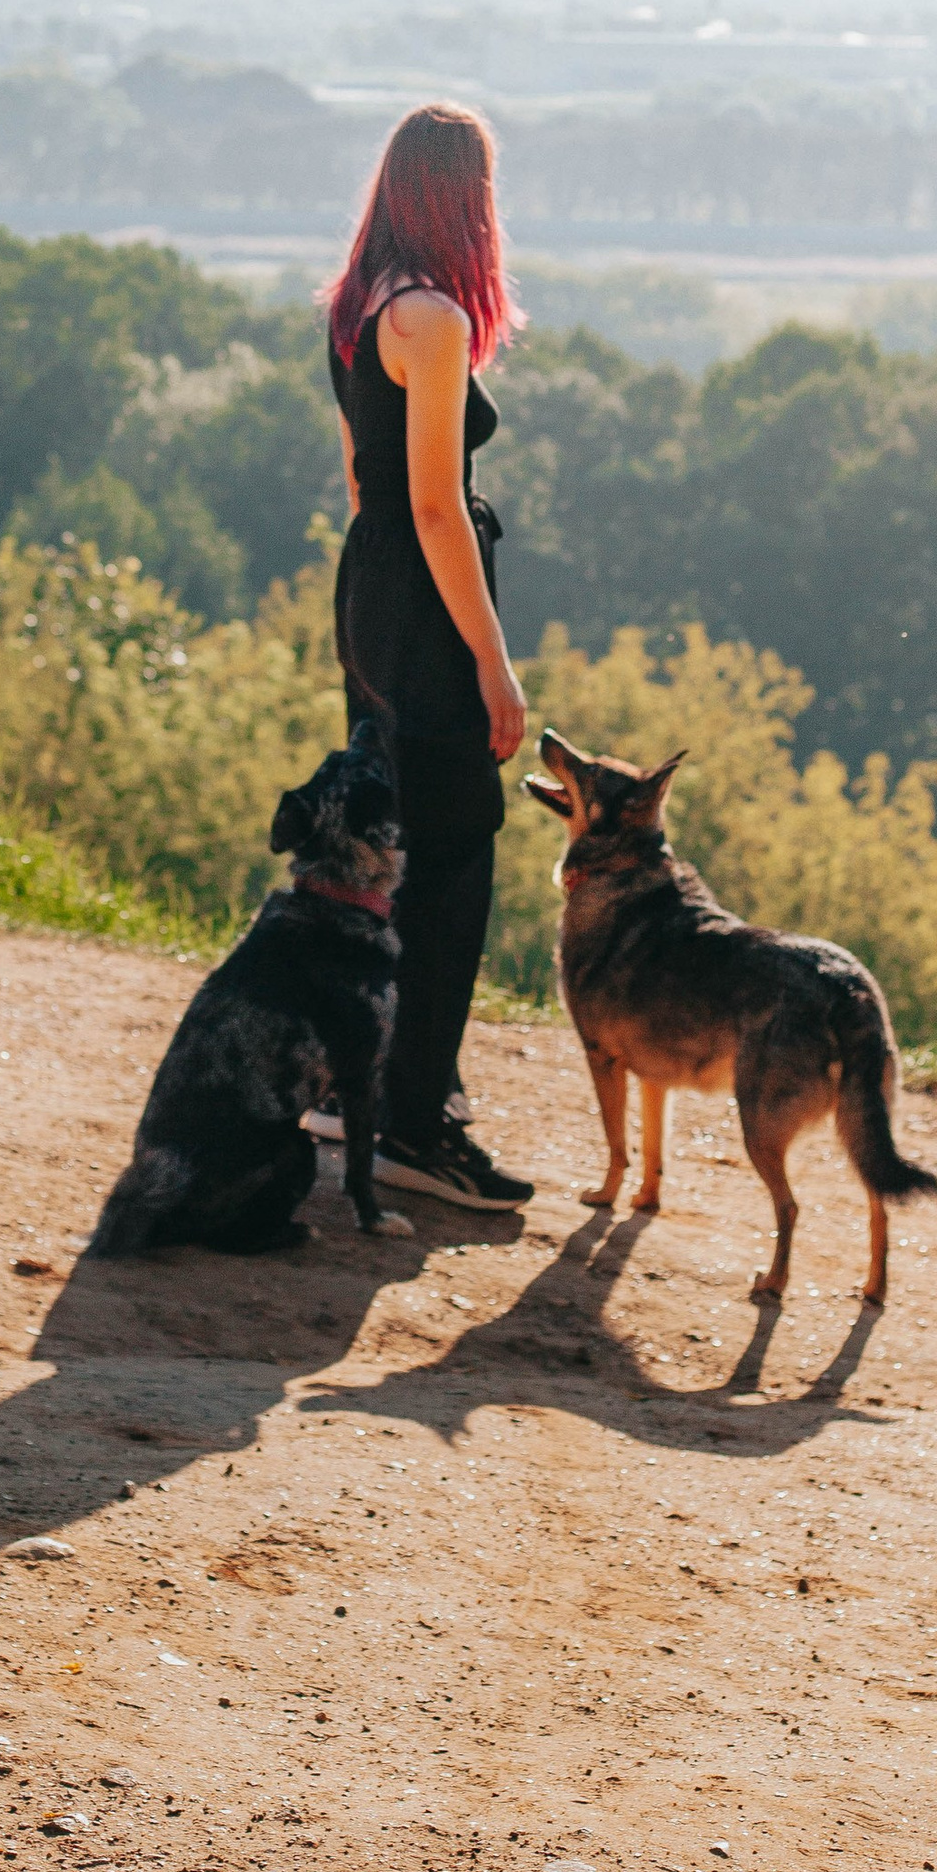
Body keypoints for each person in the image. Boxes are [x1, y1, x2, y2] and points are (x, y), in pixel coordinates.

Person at [322, 101, 535, 1213]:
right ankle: (413, 1125)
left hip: (369, 594)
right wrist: (492, 665)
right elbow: (436, 507)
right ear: (466, 197)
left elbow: (365, 487)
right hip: (425, 602)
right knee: (454, 856)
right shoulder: (435, 319)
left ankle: (350, 1080)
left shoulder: (359, 303)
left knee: (383, 847)